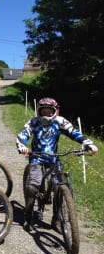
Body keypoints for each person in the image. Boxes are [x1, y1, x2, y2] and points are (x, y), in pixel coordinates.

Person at [17, 97, 98, 232]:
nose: (47, 114)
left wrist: (87, 143)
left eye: (50, 111)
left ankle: (57, 219)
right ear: (39, 111)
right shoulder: (34, 122)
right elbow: (23, 135)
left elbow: (74, 132)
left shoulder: (60, 121)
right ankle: (28, 216)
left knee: (58, 188)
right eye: (44, 111)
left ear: (55, 111)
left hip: (53, 158)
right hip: (36, 157)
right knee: (32, 187)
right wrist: (22, 146)